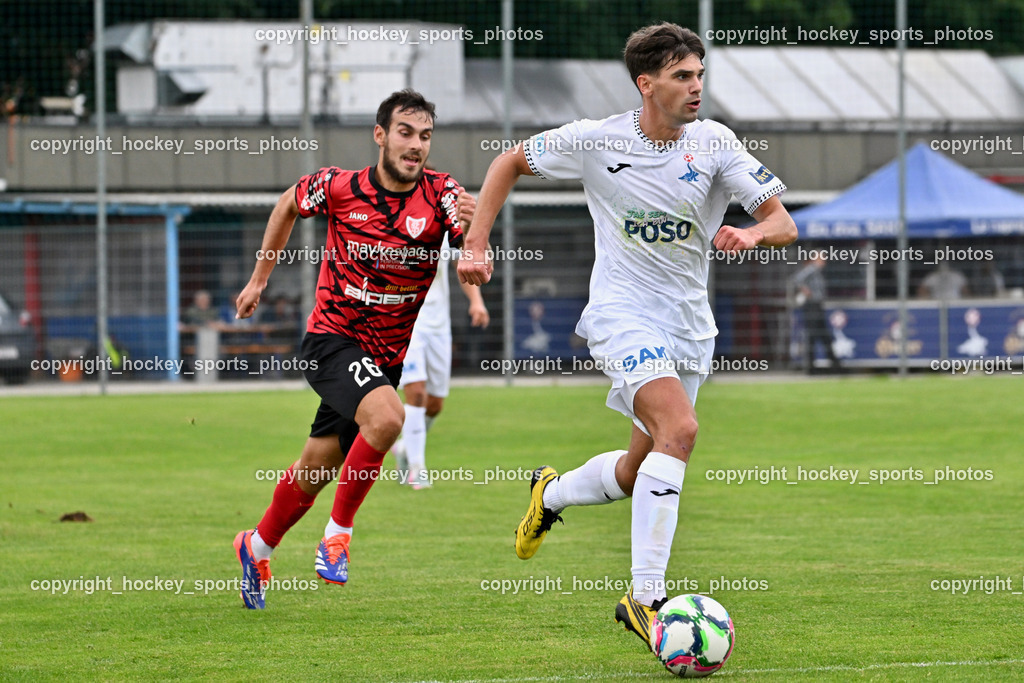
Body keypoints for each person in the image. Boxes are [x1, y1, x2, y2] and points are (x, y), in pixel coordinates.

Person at [458, 23, 796, 649]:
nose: (697, 87)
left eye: (699, 75)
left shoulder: (716, 144)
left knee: (642, 467)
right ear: (647, 84)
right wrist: (476, 242)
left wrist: (751, 235)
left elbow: (783, 222)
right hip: (621, 313)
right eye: (682, 77)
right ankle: (645, 600)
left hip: (689, 327)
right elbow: (509, 161)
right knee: (683, 430)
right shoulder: (597, 139)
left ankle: (550, 492)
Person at [232, 89, 480, 609]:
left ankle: (255, 545)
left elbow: (465, 234)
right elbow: (287, 204)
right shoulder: (339, 186)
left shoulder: (441, 194)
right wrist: (259, 280)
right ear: (381, 135)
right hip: (331, 341)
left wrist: (474, 247)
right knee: (389, 419)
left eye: (426, 136)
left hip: (382, 358)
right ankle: (337, 537)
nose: (416, 146)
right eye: (406, 133)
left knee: (316, 468)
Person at [391, 241, 489, 489]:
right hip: (404, 321)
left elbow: (462, 262)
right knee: (416, 393)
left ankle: (404, 447)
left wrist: (476, 301)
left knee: (434, 405)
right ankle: (417, 469)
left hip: (438, 327)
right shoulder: (392, 219)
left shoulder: (444, 218)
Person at [791, 255, 840, 374]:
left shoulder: (817, 271)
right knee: (813, 335)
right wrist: (805, 290)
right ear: (816, 259)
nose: (824, 261)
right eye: (822, 259)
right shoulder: (812, 269)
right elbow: (797, 279)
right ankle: (812, 367)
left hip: (818, 305)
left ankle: (834, 365)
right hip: (812, 306)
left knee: (823, 335)